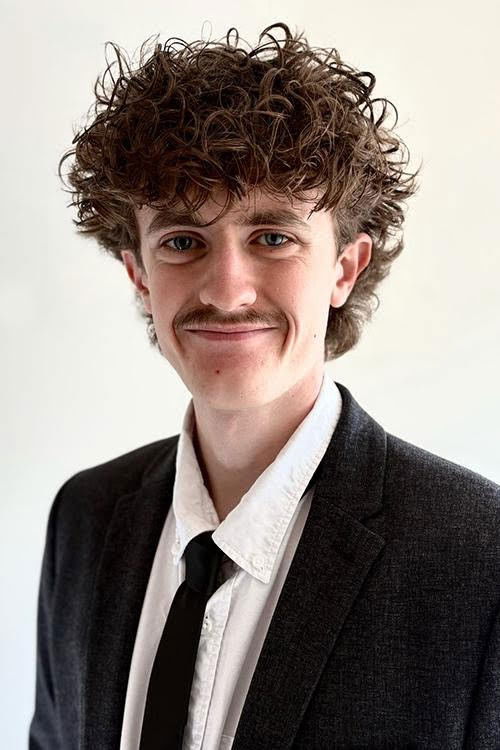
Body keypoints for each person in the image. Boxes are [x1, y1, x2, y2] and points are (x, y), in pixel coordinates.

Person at [29, 22, 500, 750]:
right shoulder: (84, 520)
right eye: (182, 242)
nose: (226, 290)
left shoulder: (478, 557)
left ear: (344, 268)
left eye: (272, 238)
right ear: (138, 274)